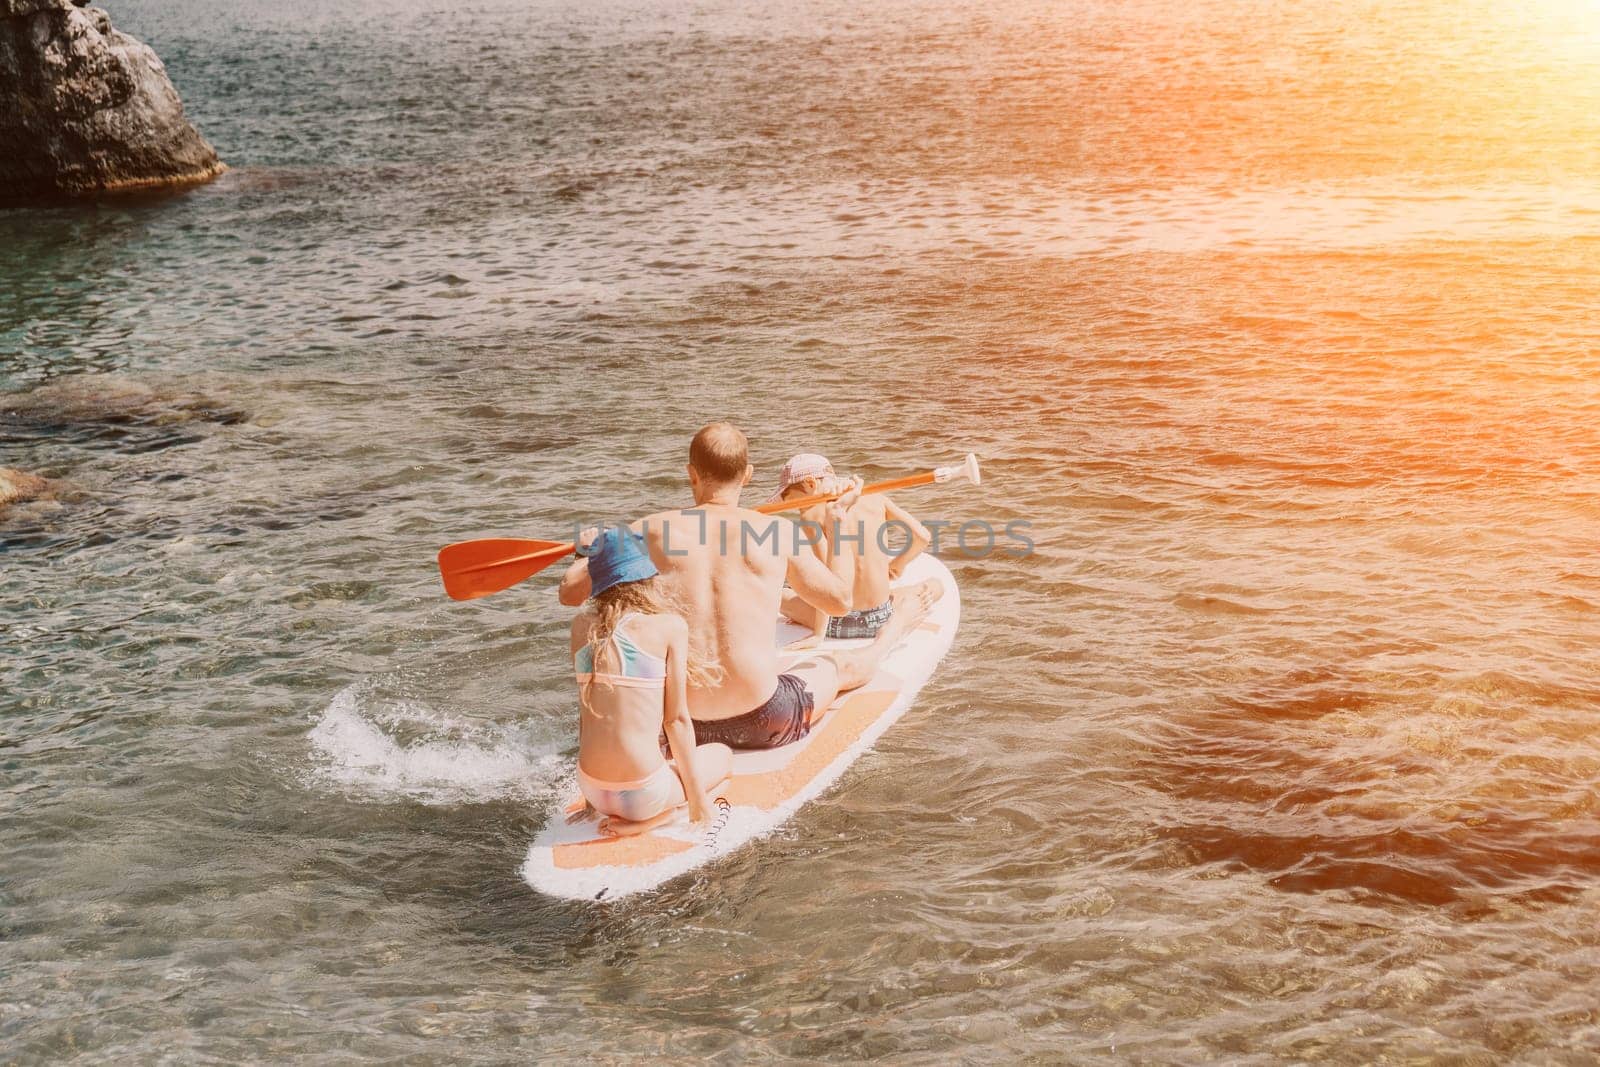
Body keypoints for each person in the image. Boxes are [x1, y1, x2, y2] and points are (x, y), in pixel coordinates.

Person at [559, 422, 938, 749]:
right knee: (838, 666)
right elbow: (840, 601)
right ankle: (894, 630)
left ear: (691, 474)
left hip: (681, 723)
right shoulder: (776, 531)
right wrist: (835, 522)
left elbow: (570, 594)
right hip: (766, 718)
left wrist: (587, 551)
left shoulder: (649, 530)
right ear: (748, 475)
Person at [569, 526, 731, 837]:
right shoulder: (668, 626)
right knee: (722, 756)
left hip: (590, 786)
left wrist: (591, 803)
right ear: (644, 577)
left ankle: (612, 807)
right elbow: (677, 721)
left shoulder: (581, 627)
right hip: (643, 794)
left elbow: (586, 714)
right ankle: (660, 819)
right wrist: (698, 802)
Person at [770, 453, 943, 649]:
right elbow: (922, 537)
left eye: (795, 502)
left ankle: (818, 624)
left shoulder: (811, 515)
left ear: (810, 484)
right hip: (882, 617)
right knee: (936, 584)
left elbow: (827, 581)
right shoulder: (875, 496)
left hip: (840, 624)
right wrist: (898, 564)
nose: (798, 509)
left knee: (780, 594)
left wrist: (818, 635)